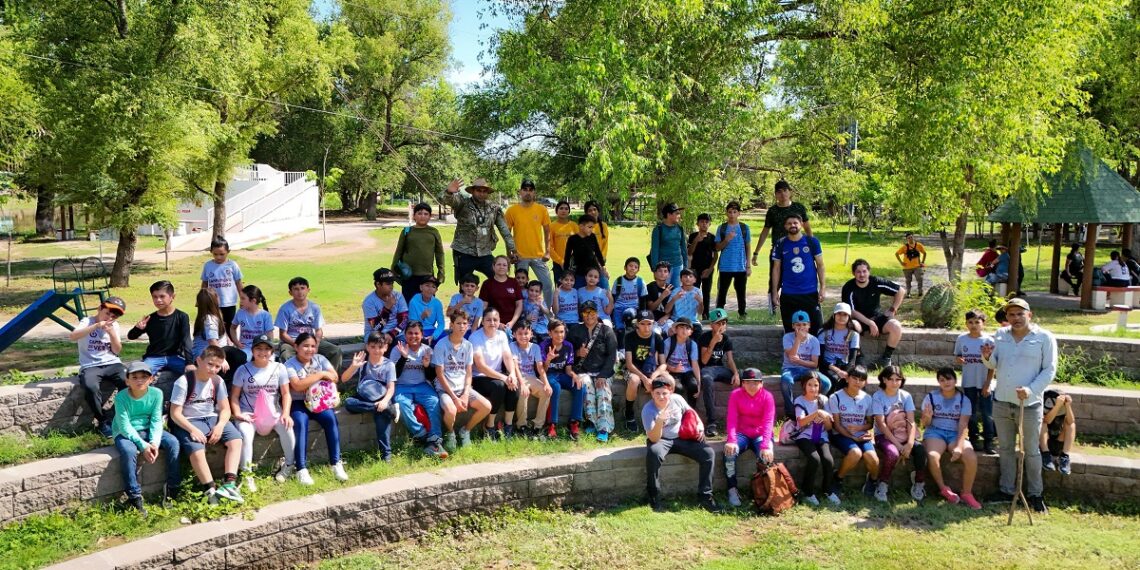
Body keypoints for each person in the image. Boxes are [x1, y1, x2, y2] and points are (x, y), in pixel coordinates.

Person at [981, 297, 1056, 514]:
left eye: (1020, 314)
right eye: (1011, 315)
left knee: (1031, 450)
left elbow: (1049, 370)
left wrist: (1031, 390)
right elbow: (994, 363)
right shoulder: (1000, 335)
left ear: (1029, 315)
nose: (1016, 318)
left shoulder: (1044, 337)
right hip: (1002, 401)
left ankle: (1035, 494)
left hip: (1029, 404)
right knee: (1005, 449)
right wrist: (986, 357)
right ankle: (1006, 490)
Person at [169, 346, 245, 505]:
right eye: (210, 364)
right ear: (199, 361)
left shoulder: (218, 381)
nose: (213, 369)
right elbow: (175, 413)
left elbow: (225, 409)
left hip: (211, 418)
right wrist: (193, 429)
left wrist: (220, 425)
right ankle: (210, 490)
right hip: (189, 420)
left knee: (236, 440)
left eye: (218, 366)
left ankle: (229, 484)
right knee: (197, 450)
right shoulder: (184, 382)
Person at [112, 362, 181, 516]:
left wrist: (154, 443)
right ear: (127, 380)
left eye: (144, 377)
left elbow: (157, 420)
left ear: (151, 379)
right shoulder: (121, 397)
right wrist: (143, 446)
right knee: (129, 451)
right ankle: (134, 495)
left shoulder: (156, 393)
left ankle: (172, 487)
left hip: (149, 429)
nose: (139, 381)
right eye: (134, 377)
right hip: (125, 433)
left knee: (173, 442)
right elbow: (125, 426)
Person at [229, 334, 296, 492]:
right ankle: (247, 475)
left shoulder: (279, 368)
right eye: (259, 348)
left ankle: (289, 465)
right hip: (249, 414)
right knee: (244, 434)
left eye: (267, 349)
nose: (263, 352)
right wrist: (238, 414)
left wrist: (286, 413)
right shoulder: (243, 370)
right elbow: (234, 396)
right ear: (252, 350)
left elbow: (286, 394)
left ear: (272, 351)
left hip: (273, 413)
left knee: (288, 428)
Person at [643, 376, 720, 513]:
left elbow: (691, 412)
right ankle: (654, 496)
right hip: (662, 440)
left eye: (664, 393)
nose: (661, 397)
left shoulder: (677, 399)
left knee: (708, 453)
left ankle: (705, 496)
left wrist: (700, 427)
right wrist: (660, 421)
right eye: (657, 393)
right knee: (654, 453)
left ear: (670, 392)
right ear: (652, 393)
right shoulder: (648, 410)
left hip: (682, 438)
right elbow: (654, 439)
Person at [284, 332, 347, 485]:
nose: (310, 349)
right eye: (305, 346)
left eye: (313, 346)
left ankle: (335, 463)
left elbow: (335, 377)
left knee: (330, 419)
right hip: (298, 402)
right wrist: (321, 374)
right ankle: (301, 469)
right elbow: (297, 386)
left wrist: (323, 375)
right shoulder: (289, 364)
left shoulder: (321, 359)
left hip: (319, 402)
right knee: (300, 422)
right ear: (296, 347)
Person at [920, 367, 982, 509]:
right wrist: (927, 417)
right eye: (942, 380)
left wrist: (959, 447)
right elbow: (924, 424)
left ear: (955, 380)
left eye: (949, 378)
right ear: (938, 382)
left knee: (971, 457)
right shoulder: (931, 397)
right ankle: (944, 489)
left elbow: (963, 424)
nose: (946, 382)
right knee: (932, 456)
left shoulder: (963, 399)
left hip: (955, 433)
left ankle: (967, 493)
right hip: (935, 432)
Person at [433, 309, 492, 451]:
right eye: (458, 323)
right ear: (451, 325)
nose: (461, 326)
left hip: (462, 388)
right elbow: (439, 375)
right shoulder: (441, 345)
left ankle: (465, 431)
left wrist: (465, 394)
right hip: (446, 389)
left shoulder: (468, 345)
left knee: (486, 406)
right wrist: (455, 398)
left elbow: (469, 373)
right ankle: (451, 433)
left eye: (464, 323)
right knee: (451, 410)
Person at [443, 177, 520, 283]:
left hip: (485, 252)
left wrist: (512, 248)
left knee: (498, 278)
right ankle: (465, 299)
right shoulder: (462, 203)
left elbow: (504, 230)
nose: (481, 193)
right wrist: (449, 192)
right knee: (466, 285)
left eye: (484, 191)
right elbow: (448, 200)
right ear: (473, 191)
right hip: (464, 252)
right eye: (478, 190)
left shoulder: (494, 208)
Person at [389, 321, 448, 458]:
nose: (413, 336)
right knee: (402, 405)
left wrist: (427, 366)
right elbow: (394, 375)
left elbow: (432, 377)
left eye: (416, 333)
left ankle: (435, 437)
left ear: (422, 335)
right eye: (410, 333)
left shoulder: (427, 350)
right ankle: (421, 434)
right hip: (402, 386)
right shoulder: (397, 349)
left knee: (434, 401)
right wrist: (404, 358)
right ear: (405, 334)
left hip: (422, 385)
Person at [753, 180, 813, 312]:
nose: (783, 194)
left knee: (798, 276)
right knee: (775, 279)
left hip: (798, 250)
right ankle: (772, 308)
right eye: (779, 192)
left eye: (785, 190)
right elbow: (765, 231)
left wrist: (812, 246)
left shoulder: (799, 208)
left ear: (790, 192)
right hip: (779, 250)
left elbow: (807, 228)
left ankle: (799, 304)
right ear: (775, 194)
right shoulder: (773, 211)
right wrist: (756, 252)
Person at [71, 296, 127, 437]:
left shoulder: (114, 326)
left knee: (129, 383)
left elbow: (117, 351)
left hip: (112, 363)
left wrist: (112, 334)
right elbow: (73, 336)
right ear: (100, 308)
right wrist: (96, 326)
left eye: (113, 316)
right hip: (90, 365)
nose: (109, 317)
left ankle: (120, 416)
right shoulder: (87, 321)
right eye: (107, 313)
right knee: (91, 387)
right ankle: (102, 421)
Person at [871, 366, 927, 504]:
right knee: (893, 454)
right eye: (891, 379)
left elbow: (911, 422)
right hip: (884, 436)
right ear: (884, 379)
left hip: (904, 435)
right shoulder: (878, 396)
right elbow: (881, 424)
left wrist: (909, 443)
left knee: (920, 450)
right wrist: (898, 445)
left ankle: (919, 483)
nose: (895, 383)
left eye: (898, 379)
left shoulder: (906, 396)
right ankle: (882, 484)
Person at [341, 333, 400, 462]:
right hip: (364, 396)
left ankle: (386, 455)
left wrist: (384, 402)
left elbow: (391, 388)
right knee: (349, 402)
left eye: (380, 347)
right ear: (367, 347)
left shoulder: (389, 364)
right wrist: (353, 366)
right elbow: (344, 378)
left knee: (381, 417)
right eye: (373, 347)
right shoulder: (363, 362)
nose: (376, 350)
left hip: (382, 397)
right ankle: (387, 409)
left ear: (385, 347)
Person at [722, 368, 775, 507]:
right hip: (741, 433)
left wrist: (765, 446)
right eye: (748, 382)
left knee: (766, 458)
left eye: (756, 382)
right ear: (743, 383)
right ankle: (732, 489)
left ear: (761, 383)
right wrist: (731, 440)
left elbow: (769, 421)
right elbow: (732, 418)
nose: (752, 386)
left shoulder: (767, 396)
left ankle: (763, 491)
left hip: (761, 434)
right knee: (729, 454)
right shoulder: (735, 395)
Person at [470, 307, 525, 439]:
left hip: (498, 375)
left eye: (495, 320)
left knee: (513, 385)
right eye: (488, 320)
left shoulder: (501, 335)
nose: (492, 323)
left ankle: (508, 425)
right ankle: (489, 426)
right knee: (499, 386)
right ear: (482, 322)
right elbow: (481, 366)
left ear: (500, 321)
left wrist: (511, 374)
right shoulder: (475, 337)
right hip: (479, 377)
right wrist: (504, 378)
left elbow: (507, 356)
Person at [568, 300, 619, 442]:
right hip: (584, 370)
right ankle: (591, 422)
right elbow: (568, 352)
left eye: (592, 312)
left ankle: (604, 428)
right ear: (581, 315)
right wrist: (578, 353)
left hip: (604, 371)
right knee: (586, 387)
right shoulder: (575, 331)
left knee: (602, 391)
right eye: (586, 312)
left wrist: (603, 375)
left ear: (597, 313)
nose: (589, 315)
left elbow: (612, 356)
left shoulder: (607, 331)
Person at [841, 259, 905, 369]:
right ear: (853, 273)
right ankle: (858, 357)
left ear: (869, 272)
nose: (862, 275)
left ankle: (886, 358)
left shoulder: (876, 281)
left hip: (878, 318)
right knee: (849, 326)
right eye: (858, 272)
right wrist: (870, 323)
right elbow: (851, 311)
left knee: (896, 326)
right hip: (859, 320)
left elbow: (901, 291)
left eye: (864, 271)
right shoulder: (848, 287)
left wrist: (893, 309)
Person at [827, 365, 879, 498]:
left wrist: (860, 429)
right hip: (841, 434)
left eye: (861, 379)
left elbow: (870, 424)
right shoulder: (835, 397)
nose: (857, 382)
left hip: (860, 434)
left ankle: (873, 481)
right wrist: (853, 437)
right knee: (855, 453)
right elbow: (836, 425)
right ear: (847, 378)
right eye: (854, 378)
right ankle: (838, 479)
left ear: (865, 382)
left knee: (873, 458)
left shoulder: (867, 398)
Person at [771, 214, 825, 335]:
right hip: (789, 293)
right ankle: (792, 354)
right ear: (785, 226)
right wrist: (775, 291)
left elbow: (820, 265)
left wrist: (822, 288)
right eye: (789, 223)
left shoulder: (812, 242)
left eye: (795, 222)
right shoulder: (781, 243)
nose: (793, 225)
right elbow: (776, 268)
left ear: (801, 224)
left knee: (816, 328)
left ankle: (817, 354)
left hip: (809, 292)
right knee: (790, 329)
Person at [128, 280, 193, 379]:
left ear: (172, 297)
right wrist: (138, 328)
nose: (158, 300)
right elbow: (131, 336)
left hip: (175, 357)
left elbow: (186, 339)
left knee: (194, 375)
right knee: (141, 376)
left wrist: (189, 363)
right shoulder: (150, 318)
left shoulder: (182, 317)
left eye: (162, 296)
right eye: (155, 297)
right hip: (154, 357)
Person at [791, 371, 839, 506]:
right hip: (804, 436)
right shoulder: (799, 400)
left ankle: (828, 490)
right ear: (804, 386)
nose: (813, 388)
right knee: (814, 459)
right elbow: (800, 422)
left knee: (828, 460)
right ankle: (808, 492)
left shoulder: (824, 400)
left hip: (822, 435)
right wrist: (816, 414)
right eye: (810, 385)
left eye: (816, 385)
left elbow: (829, 427)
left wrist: (825, 419)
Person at [275, 277, 342, 371]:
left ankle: (330, 381)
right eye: (296, 289)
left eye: (302, 288)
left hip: (310, 340)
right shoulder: (285, 309)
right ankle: (294, 382)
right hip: (291, 342)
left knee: (335, 351)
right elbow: (283, 335)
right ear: (290, 292)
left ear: (308, 290)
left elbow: (318, 330)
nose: (300, 292)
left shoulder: (314, 308)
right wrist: (298, 345)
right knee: (286, 355)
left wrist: (316, 344)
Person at [506, 179, 554, 304]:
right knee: (520, 287)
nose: (528, 193)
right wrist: (509, 254)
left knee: (548, 285)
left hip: (538, 256)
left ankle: (547, 314)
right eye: (525, 190)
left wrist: (548, 251)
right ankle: (522, 311)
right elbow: (507, 234)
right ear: (520, 192)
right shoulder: (512, 211)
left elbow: (548, 231)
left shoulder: (541, 209)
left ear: (534, 193)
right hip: (520, 256)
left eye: (531, 190)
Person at [955, 310, 996, 454]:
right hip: (969, 382)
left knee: (987, 413)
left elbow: (993, 365)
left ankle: (989, 441)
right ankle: (974, 438)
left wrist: (988, 383)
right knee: (970, 412)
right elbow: (958, 356)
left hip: (984, 382)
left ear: (983, 324)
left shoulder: (989, 341)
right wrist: (959, 360)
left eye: (977, 322)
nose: (973, 325)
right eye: (970, 322)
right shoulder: (962, 339)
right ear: (966, 324)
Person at [622, 309, 669, 432]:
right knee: (634, 380)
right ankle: (629, 413)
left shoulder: (657, 338)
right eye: (642, 323)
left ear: (653, 324)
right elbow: (629, 363)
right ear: (637, 324)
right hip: (635, 370)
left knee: (669, 380)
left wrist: (653, 377)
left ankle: (666, 413)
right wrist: (644, 379)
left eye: (649, 324)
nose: (646, 327)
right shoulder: (630, 337)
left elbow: (663, 364)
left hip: (651, 370)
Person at [698, 308, 741, 438]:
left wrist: (736, 374)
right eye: (718, 323)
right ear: (711, 325)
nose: (721, 326)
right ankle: (712, 423)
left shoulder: (727, 339)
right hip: (707, 369)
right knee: (706, 379)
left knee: (749, 376)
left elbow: (730, 360)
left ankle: (744, 419)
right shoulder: (705, 337)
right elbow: (704, 361)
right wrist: (713, 342)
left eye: (724, 323)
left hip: (720, 369)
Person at [191, 288, 246, 386]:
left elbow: (221, 333)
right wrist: (222, 359)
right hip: (208, 353)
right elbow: (212, 341)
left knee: (236, 353)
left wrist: (229, 341)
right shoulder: (210, 319)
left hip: (216, 349)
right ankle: (227, 382)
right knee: (240, 356)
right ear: (214, 300)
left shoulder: (212, 315)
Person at [392, 202, 447, 301]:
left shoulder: (434, 232)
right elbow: (398, 251)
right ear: (414, 216)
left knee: (427, 303)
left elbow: (439, 253)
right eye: (419, 213)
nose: (423, 216)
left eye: (426, 214)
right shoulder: (407, 231)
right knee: (409, 303)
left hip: (427, 275)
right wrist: (394, 270)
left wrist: (441, 272)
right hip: (409, 275)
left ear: (430, 216)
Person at [779, 311, 829, 418]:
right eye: (798, 325)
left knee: (826, 383)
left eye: (804, 324)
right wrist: (798, 339)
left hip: (807, 370)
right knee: (785, 381)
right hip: (790, 369)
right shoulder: (787, 338)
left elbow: (814, 364)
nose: (801, 327)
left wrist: (799, 361)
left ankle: (812, 405)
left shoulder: (814, 340)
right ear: (793, 326)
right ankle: (791, 412)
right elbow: (792, 357)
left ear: (809, 325)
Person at [540, 319, 582, 440]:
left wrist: (574, 375)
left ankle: (574, 423)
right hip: (549, 375)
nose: (560, 335)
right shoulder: (544, 345)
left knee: (579, 386)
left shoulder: (568, 346)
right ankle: (552, 424)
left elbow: (568, 369)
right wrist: (548, 359)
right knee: (556, 388)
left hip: (562, 375)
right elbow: (542, 370)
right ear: (550, 333)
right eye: (556, 332)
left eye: (562, 332)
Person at [512, 321, 552, 437]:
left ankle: (538, 426)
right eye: (520, 333)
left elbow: (540, 367)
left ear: (531, 334)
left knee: (546, 392)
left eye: (526, 333)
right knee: (524, 393)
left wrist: (546, 383)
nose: (523, 336)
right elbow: (514, 367)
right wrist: (522, 384)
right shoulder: (512, 346)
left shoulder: (535, 347)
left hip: (531, 377)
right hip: (519, 377)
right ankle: (521, 425)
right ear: (514, 334)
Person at [200, 235, 243, 337]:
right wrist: (201, 299)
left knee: (229, 326)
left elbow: (238, 283)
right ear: (211, 252)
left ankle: (231, 346)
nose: (218, 257)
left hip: (229, 303)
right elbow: (205, 283)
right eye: (215, 254)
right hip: (213, 302)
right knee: (214, 325)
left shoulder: (232, 265)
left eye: (222, 254)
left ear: (228, 251)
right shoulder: (208, 265)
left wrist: (243, 299)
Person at [715, 201, 752, 318]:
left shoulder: (744, 228)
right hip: (725, 266)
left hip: (740, 266)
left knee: (741, 292)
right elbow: (717, 247)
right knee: (722, 292)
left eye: (734, 212)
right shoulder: (722, 228)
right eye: (730, 212)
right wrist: (726, 240)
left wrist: (748, 265)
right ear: (726, 213)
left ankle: (742, 313)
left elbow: (748, 247)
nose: (732, 215)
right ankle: (719, 315)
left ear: (739, 213)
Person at [818, 303, 860, 395]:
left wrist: (845, 373)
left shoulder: (853, 334)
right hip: (827, 366)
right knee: (834, 380)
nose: (841, 317)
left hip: (845, 367)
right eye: (839, 314)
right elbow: (820, 358)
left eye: (845, 314)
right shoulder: (824, 332)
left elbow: (852, 360)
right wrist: (837, 371)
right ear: (834, 315)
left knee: (854, 380)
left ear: (849, 317)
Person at [663, 317, 701, 411]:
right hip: (672, 370)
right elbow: (662, 362)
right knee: (677, 387)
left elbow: (695, 364)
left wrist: (699, 382)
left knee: (693, 386)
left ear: (691, 332)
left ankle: (691, 412)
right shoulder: (668, 343)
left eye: (687, 328)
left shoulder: (692, 344)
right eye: (681, 327)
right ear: (676, 329)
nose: (684, 330)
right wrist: (673, 369)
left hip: (687, 371)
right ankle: (677, 411)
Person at [479, 255, 525, 332]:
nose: (501, 267)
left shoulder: (514, 282)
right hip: (493, 323)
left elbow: (519, 305)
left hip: (512, 323)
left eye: (504, 265)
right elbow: (484, 307)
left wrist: (512, 323)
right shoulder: (487, 284)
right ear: (493, 267)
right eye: (498, 264)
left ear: (508, 268)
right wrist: (497, 323)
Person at [363, 268, 409, 343]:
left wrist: (392, 334)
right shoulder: (369, 302)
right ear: (378, 284)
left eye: (392, 283)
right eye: (388, 284)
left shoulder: (398, 296)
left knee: (414, 339)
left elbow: (404, 319)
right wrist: (387, 308)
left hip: (397, 333)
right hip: (375, 335)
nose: (391, 286)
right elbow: (376, 327)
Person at [230, 285, 275, 361]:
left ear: (253, 301)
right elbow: (232, 328)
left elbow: (270, 335)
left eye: (243, 298)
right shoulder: (240, 313)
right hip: (245, 348)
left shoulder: (265, 315)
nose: (240, 301)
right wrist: (237, 343)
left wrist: (268, 348)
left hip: (261, 348)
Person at [649, 203, 689, 289]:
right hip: (663, 269)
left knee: (676, 293)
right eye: (677, 213)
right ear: (669, 214)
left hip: (678, 266)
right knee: (664, 293)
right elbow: (654, 250)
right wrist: (655, 269)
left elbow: (684, 249)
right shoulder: (658, 229)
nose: (679, 215)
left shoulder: (680, 229)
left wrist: (686, 266)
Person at [687, 213, 717, 321]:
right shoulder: (693, 236)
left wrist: (710, 269)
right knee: (694, 290)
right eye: (701, 222)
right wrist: (696, 241)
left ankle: (706, 313)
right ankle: (691, 313)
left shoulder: (712, 238)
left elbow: (715, 255)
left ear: (709, 224)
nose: (704, 224)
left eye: (706, 222)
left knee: (706, 291)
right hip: (695, 269)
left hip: (707, 269)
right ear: (697, 223)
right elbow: (689, 252)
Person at [564, 214, 607, 288]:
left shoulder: (592, 236)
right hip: (580, 271)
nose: (591, 229)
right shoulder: (572, 239)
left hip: (595, 269)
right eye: (589, 227)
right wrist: (566, 271)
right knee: (578, 292)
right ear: (581, 226)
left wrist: (603, 267)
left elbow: (598, 252)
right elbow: (567, 256)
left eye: (592, 227)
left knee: (605, 288)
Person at [611, 257, 648, 338]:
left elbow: (643, 299)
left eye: (635, 267)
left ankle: (629, 337)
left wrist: (642, 316)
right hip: (618, 308)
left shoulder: (640, 282)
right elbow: (613, 297)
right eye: (630, 266)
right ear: (625, 267)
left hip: (632, 308)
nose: (632, 268)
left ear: (638, 270)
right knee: (619, 329)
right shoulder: (619, 281)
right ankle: (621, 349)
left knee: (628, 315)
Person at [1041, 389, 1076, 475]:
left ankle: (1065, 456)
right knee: (1042, 422)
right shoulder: (1044, 404)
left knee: (1071, 425)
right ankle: (1045, 456)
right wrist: (1057, 406)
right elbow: (1047, 420)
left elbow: (1071, 421)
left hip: (1058, 442)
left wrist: (1067, 405)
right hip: (1044, 444)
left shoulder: (1064, 406)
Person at [409, 276, 447, 343]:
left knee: (446, 339)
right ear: (421, 287)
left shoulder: (437, 303)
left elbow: (441, 324)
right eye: (427, 285)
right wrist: (422, 317)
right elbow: (411, 323)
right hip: (416, 330)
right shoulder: (414, 301)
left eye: (433, 287)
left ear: (436, 290)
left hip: (431, 330)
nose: (430, 289)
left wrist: (434, 336)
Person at [584, 200, 612, 290]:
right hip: (586, 262)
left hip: (600, 261)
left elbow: (605, 245)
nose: (593, 212)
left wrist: (601, 262)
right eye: (589, 210)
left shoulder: (603, 226)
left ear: (598, 211)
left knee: (604, 285)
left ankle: (608, 303)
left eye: (595, 209)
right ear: (586, 213)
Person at [548, 200, 578, 284]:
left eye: (566, 209)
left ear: (569, 211)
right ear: (556, 211)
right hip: (558, 263)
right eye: (561, 208)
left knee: (573, 288)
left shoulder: (574, 226)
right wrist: (560, 261)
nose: (563, 211)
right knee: (560, 288)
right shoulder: (552, 226)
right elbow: (549, 247)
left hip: (573, 263)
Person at [645, 261, 676, 335]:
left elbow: (673, 309)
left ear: (668, 274)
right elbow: (651, 308)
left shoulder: (672, 288)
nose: (662, 273)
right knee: (656, 334)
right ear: (655, 273)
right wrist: (662, 296)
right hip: (653, 319)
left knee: (673, 332)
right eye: (660, 271)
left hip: (667, 319)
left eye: (665, 271)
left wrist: (666, 317)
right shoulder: (649, 287)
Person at [895, 232, 927, 298]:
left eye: (911, 237)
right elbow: (897, 254)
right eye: (908, 238)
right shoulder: (904, 247)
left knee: (920, 278)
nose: (910, 239)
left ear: (913, 237)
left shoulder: (919, 245)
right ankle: (908, 293)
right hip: (907, 267)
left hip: (917, 266)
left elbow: (924, 253)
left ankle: (920, 292)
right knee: (908, 281)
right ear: (907, 239)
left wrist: (922, 262)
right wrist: (901, 262)